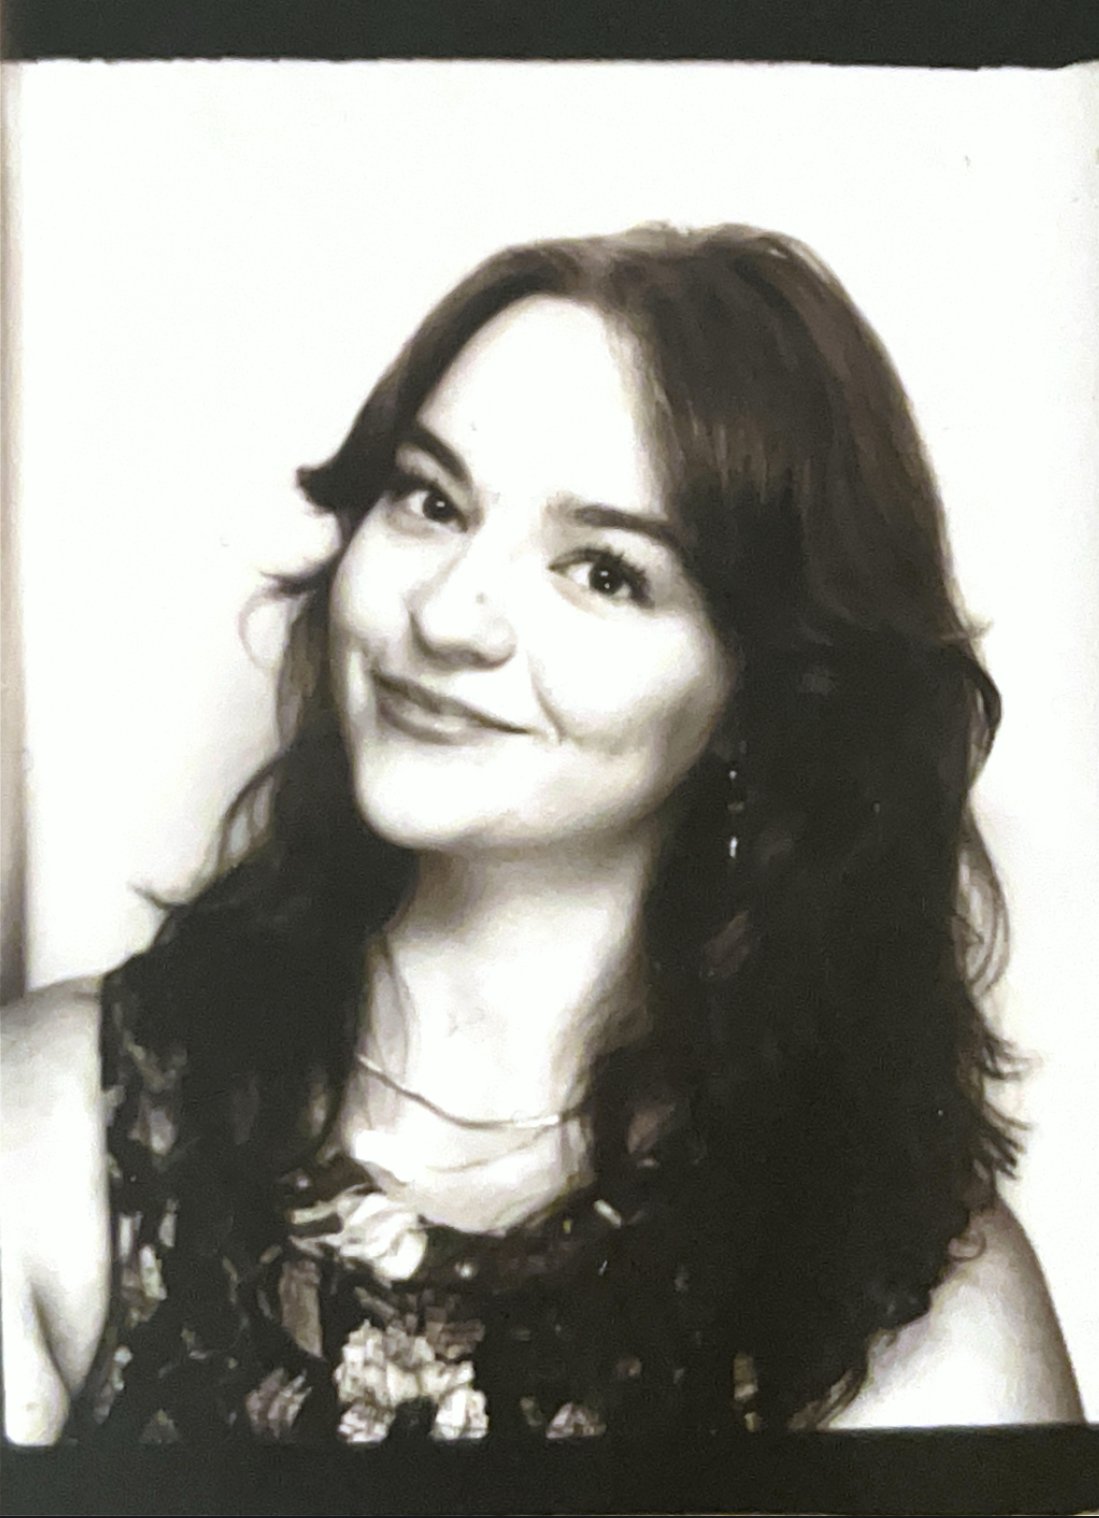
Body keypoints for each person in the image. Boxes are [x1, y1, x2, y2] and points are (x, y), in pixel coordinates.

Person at [1, 223, 1083, 1448]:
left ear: (761, 698)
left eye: (604, 571)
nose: (450, 613)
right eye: (430, 499)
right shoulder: (49, 1133)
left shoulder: (917, 1306)